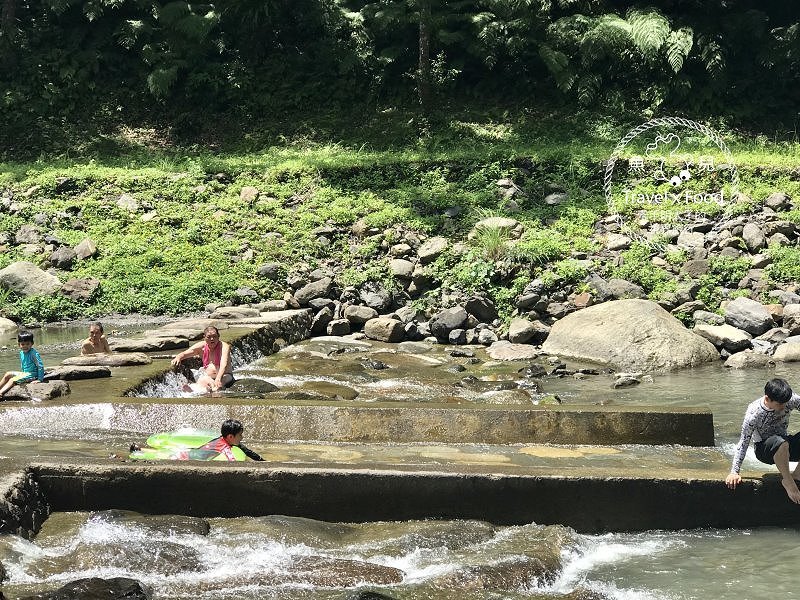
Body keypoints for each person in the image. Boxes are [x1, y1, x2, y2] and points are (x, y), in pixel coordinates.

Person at [726, 378, 800, 503]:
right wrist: (734, 471)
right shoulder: (754, 413)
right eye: (779, 404)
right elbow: (743, 442)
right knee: (781, 442)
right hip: (763, 450)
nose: (783, 407)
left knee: (783, 442)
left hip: (785, 444)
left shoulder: (789, 399)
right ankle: (788, 481)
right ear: (767, 399)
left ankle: (797, 474)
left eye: (785, 403)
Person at [170, 325, 234, 392]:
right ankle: (193, 390)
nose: (212, 339)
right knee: (203, 380)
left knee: (218, 384)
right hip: (208, 376)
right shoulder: (201, 346)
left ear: (218, 336)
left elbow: (224, 364)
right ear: (204, 338)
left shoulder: (224, 346)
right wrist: (178, 357)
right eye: (209, 337)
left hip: (225, 375)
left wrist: (218, 378)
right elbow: (186, 353)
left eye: (214, 336)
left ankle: (213, 389)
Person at [0, 331, 45, 398]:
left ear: (32, 343)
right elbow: (23, 364)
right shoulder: (21, 353)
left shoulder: (34, 354)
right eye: (23, 344)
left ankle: (1, 392)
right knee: (7, 374)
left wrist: (39, 379)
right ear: (19, 344)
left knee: (12, 379)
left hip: (32, 375)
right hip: (25, 373)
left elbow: (40, 366)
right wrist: (22, 374)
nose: (25, 346)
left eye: (27, 344)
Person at [194, 419, 264, 461]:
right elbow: (232, 461)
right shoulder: (225, 447)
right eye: (240, 435)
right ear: (230, 436)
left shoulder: (222, 439)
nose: (242, 437)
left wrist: (262, 461)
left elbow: (247, 451)